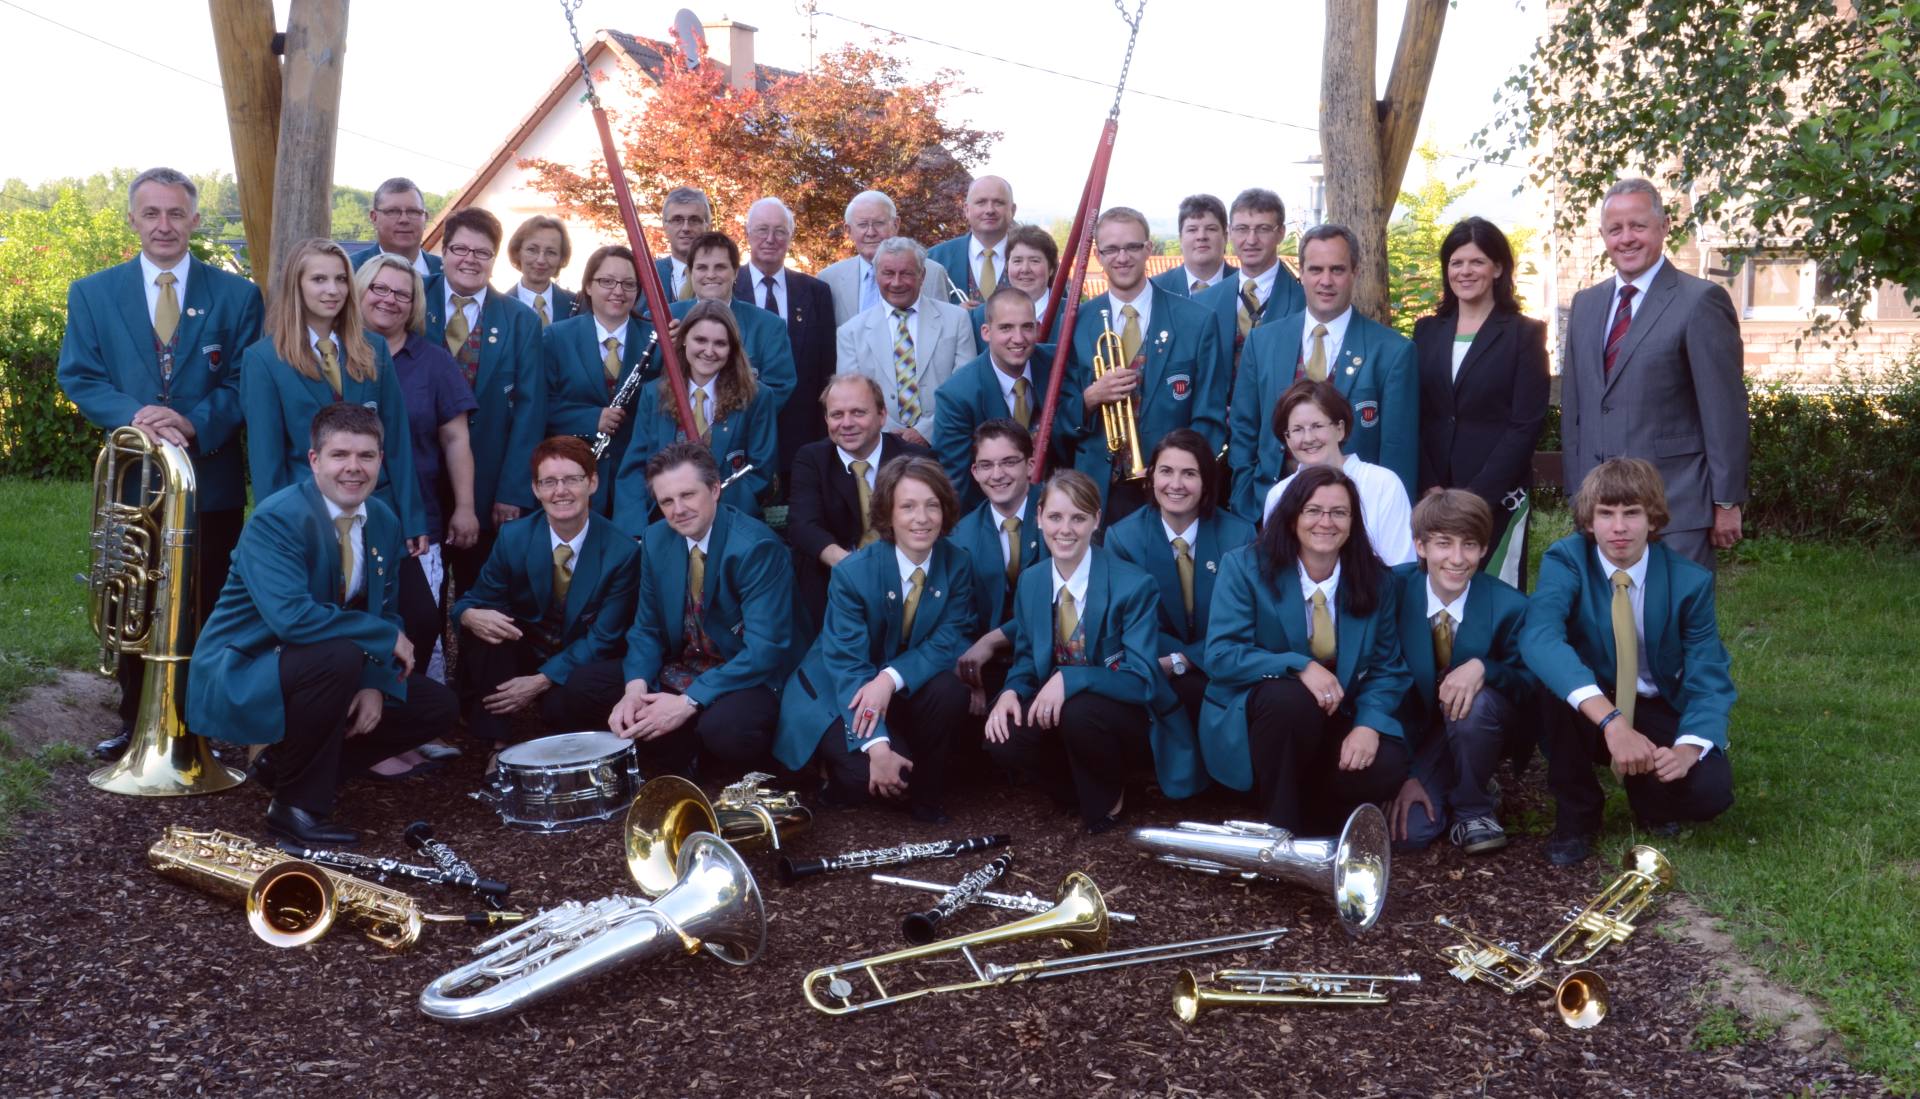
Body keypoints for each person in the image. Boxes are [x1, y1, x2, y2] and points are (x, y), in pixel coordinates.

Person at [57, 167, 264, 759]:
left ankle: (198, 723)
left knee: (206, 595)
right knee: (132, 596)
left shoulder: (238, 295)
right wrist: (138, 416)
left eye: (176, 213)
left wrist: (192, 422)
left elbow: (245, 378)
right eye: (152, 213)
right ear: (133, 219)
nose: (164, 225)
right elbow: (80, 375)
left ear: (195, 220)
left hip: (209, 476)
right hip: (133, 478)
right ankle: (136, 723)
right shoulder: (93, 293)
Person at [188, 403, 457, 845]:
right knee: (338, 655)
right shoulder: (278, 519)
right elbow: (292, 619)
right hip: (246, 665)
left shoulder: (383, 519)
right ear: (314, 460)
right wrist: (384, 638)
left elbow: (384, 608)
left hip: (319, 661)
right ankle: (294, 810)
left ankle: (283, 764)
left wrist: (374, 682)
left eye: (366, 455)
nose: (354, 467)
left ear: (380, 460)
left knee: (434, 705)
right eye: (339, 455)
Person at [1522, 458, 1735, 867]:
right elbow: (1539, 637)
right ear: (1589, 521)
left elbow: (1710, 676)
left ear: (1653, 518)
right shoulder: (1566, 560)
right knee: (1551, 683)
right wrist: (1613, 723)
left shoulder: (1690, 582)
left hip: (1653, 701)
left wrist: (1688, 748)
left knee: (1709, 793)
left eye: (1631, 513)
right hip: (1591, 704)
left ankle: (1650, 798)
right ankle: (1577, 814)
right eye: (1606, 513)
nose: (1618, 527)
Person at [985, 470, 1205, 832]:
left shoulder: (1134, 585)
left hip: (1128, 714)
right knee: (1003, 734)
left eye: (1078, 518)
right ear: (1038, 517)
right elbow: (1026, 657)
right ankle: (1073, 787)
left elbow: (1143, 680)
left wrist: (1070, 679)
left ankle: (1109, 795)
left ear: (1096, 520)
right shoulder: (1032, 580)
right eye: (1055, 517)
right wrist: (1011, 691)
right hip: (1067, 714)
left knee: (1080, 710)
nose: (1065, 529)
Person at [1199, 464, 1412, 831]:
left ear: (1353, 522)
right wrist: (1298, 665)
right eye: (1313, 510)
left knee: (1388, 763)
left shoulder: (1377, 580)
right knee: (1290, 700)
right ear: (1292, 517)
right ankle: (1281, 825)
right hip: (1266, 720)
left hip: (1339, 715)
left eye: (1339, 512)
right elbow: (1221, 655)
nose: (1326, 522)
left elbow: (1387, 668)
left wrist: (1368, 724)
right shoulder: (1245, 567)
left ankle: (1317, 820)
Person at [1561, 179, 1749, 568]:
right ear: (1603, 236)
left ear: (1664, 227)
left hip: (1675, 505)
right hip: (1600, 510)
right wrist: (1578, 495)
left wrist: (1727, 500)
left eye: (1638, 226)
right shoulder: (1585, 304)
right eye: (1615, 229)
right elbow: (1575, 408)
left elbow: (1724, 411)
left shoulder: (1700, 301)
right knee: (1608, 607)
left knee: (1674, 607)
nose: (1626, 238)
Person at [776, 457, 974, 821]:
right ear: (888, 513)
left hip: (894, 683)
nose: (922, 518)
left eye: (932, 505)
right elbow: (847, 666)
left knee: (949, 691)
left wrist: (888, 679)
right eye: (908, 506)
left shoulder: (956, 563)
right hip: (836, 687)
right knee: (867, 778)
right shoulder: (853, 573)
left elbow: (948, 638)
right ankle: (833, 776)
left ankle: (926, 791)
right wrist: (878, 748)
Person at [582, 443, 796, 778]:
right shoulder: (656, 539)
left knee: (726, 730)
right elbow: (647, 628)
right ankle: (684, 749)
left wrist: (687, 702)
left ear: (715, 489)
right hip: (685, 665)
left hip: (746, 674)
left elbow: (764, 651)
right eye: (666, 501)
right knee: (583, 687)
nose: (678, 510)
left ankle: (701, 755)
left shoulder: (756, 548)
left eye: (688, 495)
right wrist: (635, 689)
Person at [449, 436, 640, 747]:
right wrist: (468, 615)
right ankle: (496, 744)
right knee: (486, 627)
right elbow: (475, 600)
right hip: (526, 646)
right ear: (536, 489)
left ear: (592, 483)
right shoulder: (514, 537)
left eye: (572, 480)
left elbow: (604, 638)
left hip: (580, 659)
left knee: (559, 708)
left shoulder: (622, 552)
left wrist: (541, 680)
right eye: (548, 482)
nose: (560, 491)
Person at [241, 237, 428, 551]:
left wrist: (412, 517)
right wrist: (274, 531)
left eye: (341, 279)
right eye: (319, 279)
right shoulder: (264, 360)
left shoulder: (374, 349)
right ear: (296, 286)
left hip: (375, 511)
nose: (333, 290)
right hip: (305, 516)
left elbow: (397, 442)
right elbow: (267, 460)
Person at [1384, 490, 1536, 855]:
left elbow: (1532, 686)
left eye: (1469, 545)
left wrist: (1485, 668)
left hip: (1479, 723)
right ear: (1420, 546)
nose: (1456, 558)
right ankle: (1449, 780)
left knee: (1475, 703)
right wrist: (1405, 775)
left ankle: (1474, 807)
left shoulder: (1511, 606)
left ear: (1483, 549)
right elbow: (1380, 677)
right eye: (1443, 544)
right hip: (1414, 732)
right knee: (1409, 835)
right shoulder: (1391, 590)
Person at [1231, 223, 1419, 516]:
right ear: (1302, 273)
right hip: (1271, 509)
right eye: (1316, 270)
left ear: (1355, 272)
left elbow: (1398, 452)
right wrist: (1248, 504)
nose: (1326, 281)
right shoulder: (1262, 341)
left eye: (1337, 270)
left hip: (1356, 518)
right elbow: (1243, 430)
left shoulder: (1393, 352)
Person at [355, 255, 478, 677]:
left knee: (419, 622)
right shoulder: (335, 354)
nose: (389, 300)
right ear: (360, 290)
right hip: (344, 513)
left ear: (415, 306)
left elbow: (456, 439)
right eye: (379, 288)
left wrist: (465, 506)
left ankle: (417, 705)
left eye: (402, 294)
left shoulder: (434, 361)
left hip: (415, 516)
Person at [1411, 217, 1550, 587]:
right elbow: (1414, 413)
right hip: (1432, 495)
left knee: (1493, 598)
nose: (1465, 271)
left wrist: (1477, 496)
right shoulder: (1426, 331)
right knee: (1435, 593)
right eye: (1456, 262)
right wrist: (1430, 486)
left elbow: (1525, 424)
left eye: (1477, 261)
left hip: (1497, 495)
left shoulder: (1525, 334)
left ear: (1498, 268)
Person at [1069, 206, 1228, 521]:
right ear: (1098, 256)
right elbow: (1057, 414)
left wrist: (1181, 478)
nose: (1122, 257)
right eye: (1111, 249)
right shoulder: (1075, 322)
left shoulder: (1197, 321)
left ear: (1149, 249)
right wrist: (1090, 398)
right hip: (1096, 491)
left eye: (1132, 246)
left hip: (1171, 493)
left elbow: (1209, 418)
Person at [421, 207, 546, 592]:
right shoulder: (411, 301)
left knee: (480, 596)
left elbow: (530, 411)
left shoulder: (520, 320)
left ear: (494, 259)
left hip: (488, 485)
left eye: (482, 253)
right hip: (418, 479)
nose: (470, 260)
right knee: (420, 599)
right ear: (443, 251)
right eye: (460, 249)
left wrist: (512, 491)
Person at [1106, 430, 1256, 728]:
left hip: (1224, 666)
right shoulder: (1123, 539)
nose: (1175, 484)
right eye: (1166, 471)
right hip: (1154, 667)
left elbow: (1248, 620)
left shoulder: (1240, 535)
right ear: (1151, 477)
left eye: (1189, 473)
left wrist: (1184, 660)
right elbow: (1130, 622)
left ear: (1206, 482)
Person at [787, 375, 933, 626]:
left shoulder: (915, 458)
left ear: (882, 415)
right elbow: (803, 526)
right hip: (835, 577)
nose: (847, 423)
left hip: (907, 575)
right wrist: (853, 568)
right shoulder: (812, 459)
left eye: (858, 412)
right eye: (837, 415)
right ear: (826, 419)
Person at [614, 300, 775, 526]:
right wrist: (637, 531)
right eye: (700, 340)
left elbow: (760, 473)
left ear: (732, 349)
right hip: (664, 519)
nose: (709, 351)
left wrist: (709, 514)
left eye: (720, 343)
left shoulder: (756, 397)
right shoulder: (654, 394)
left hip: (727, 520)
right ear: (683, 340)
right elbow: (635, 468)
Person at [935, 287, 1079, 511]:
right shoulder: (956, 396)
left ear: (1038, 329)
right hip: (991, 513)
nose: (1018, 338)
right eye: (1006, 328)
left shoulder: (1060, 365)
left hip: (1060, 507)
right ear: (986, 332)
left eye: (1027, 327)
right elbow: (956, 486)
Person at [543, 245, 658, 514]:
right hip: (574, 476)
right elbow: (540, 406)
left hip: (637, 480)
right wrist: (592, 418)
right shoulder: (556, 337)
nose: (618, 291)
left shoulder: (658, 339)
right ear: (588, 286)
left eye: (628, 284)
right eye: (607, 281)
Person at [735, 197, 838, 489]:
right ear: (747, 233)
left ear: (791, 236)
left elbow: (826, 370)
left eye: (780, 231)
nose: (770, 239)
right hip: (741, 434)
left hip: (802, 438)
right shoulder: (728, 288)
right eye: (762, 229)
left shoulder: (816, 292)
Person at [835, 236, 975, 448]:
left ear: (922, 275)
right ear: (876, 275)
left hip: (944, 444)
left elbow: (964, 387)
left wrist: (925, 432)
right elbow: (852, 398)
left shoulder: (956, 320)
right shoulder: (851, 332)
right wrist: (893, 437)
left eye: (906, 273)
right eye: (888, 273)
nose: (897, 282)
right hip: (880, 447)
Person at [951, 420, 1050, 712]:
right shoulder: (962, 535)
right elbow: (959, 616)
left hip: (1053, 652)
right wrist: (969, 673)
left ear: (1030, 465)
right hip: (991, 663)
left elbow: (1057, 599)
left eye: (1009, 462)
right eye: (986, 465)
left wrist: (993, 640)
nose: (997, 475)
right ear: (974, 472)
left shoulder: (1058, 513)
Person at [1262, 380, 1415, 566]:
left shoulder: (1383, 484)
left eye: (1317, 426)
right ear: (1287, 438)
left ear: (1340, 429)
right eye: (1297, 430)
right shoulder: (1278, 494)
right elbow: (1275, 566)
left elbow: (1401, 567)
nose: (1308, 438)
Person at [672, 231, 796, 414]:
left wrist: (725, 420)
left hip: (743, 427)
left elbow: (779, 388)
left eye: (720, 267)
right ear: (691, 272)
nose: (711, 275)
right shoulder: (665, 318)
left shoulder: (769, 326)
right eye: (702, 268)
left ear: (736, 272)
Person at [1193, 188, 1306, 374]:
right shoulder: (1203, 302)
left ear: (1281, 233)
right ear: (1230, 232)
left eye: (1263, 229)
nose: (1251, 240)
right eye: (1242, 229)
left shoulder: (1304, 302)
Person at [819, 190, 957, 325]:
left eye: (879, 223)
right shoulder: (829, 279)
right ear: (848, 231)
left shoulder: (933, 273)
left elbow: (942, 331)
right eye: (862, 225)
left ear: (896, 224)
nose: (871, 232)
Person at [967, 224, 1066, 345]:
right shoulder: (978, 318)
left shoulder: (1073, 315)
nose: (1025, 269)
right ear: (1007, 266)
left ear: (1051, 268)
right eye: (1017, 261)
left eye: (1035, 261)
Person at [926, 175, 1017, 306]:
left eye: (998, 202)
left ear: (1012, 210)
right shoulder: (934, 259)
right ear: (967, 209)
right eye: (981, 202)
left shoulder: (1035, 261)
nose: (990, 210)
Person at [1151, 193, 1238, 299]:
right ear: (1180, 238)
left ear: (1225, 236)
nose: (1201, 236)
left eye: (1211, 229)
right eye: (1192, 230)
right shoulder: (1155, 289)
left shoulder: (1245, 286)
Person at [351, 177, 442, 278]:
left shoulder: (447, 273)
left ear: (425, 218)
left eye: (413, 211)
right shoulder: (349, 272)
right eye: (393, 211)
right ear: (374, 218)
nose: (404, 220)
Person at [505, 215, 575, 325]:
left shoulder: (575, 306)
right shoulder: (499, 308)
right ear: (517, 252)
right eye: (532, 250)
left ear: (561, 258)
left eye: (551, 252)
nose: (541, 260)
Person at [656, 187, 711, 300]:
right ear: (665, 226)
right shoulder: (648, 275)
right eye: (677, 220)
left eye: (694, 220)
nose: (686, 228)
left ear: (707, 226)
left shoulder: (726, 276)